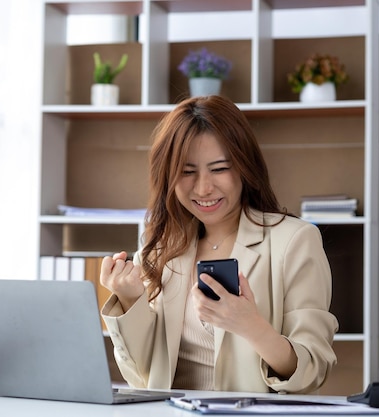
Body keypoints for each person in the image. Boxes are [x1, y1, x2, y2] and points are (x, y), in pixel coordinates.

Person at [100, 95, 338, 394]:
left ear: (244, 167)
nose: (203, 188)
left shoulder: (294, 240)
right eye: (187, 172)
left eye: (219, 168)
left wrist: (250, 325)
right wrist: (129, 299)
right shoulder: (159, 244)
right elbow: (142, 378)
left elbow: (312, 371)